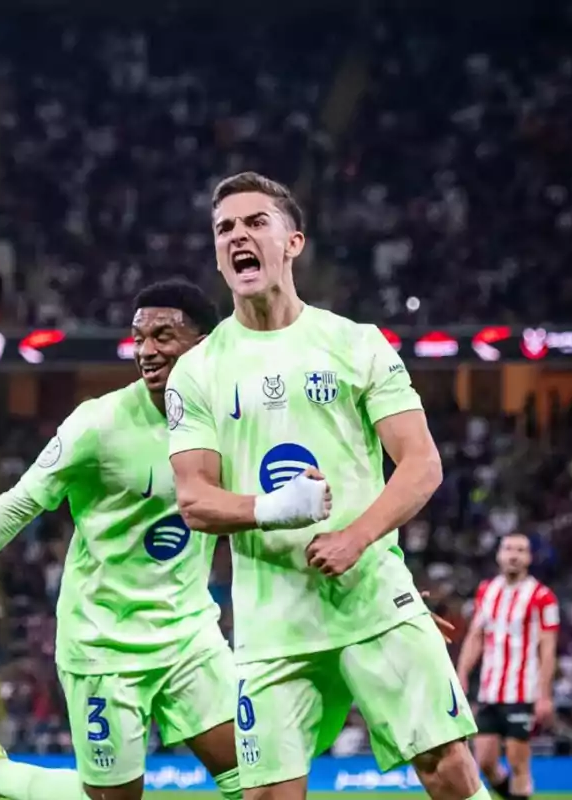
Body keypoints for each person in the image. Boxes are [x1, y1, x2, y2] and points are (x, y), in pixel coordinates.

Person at [163, 171, 486, 800]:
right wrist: (277, 508)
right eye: (224, 228)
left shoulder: (354, 344)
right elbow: (194, 498)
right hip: (272, 623)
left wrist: (356, 538)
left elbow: (421, 463)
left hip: (371, 598)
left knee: (446, 769)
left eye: (256, 222)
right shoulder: (197, 371)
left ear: (293, 242)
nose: (238, 237)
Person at [0, 279, 241, 800]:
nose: (147, 350)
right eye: (139, 337)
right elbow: (18, 503)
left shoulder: (230, 421)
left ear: (205, 345)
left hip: (190, 637)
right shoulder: (100, 422)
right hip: (104, 645)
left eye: (164, 335)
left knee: (253, 781)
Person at [457, 534, 559, 800]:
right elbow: (475, 636)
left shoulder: (542, 597)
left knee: (517, 762)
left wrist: (544, 695)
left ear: (529, 558)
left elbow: (548, 649)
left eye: (521, 550)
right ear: (498, 555)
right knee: (486, 762)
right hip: (490, 691)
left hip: (522, 692)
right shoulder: (486, 590)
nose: (514, 555)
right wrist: (462, 672)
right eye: (509, 549)